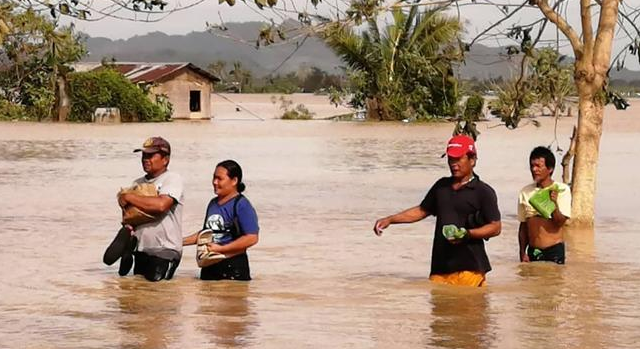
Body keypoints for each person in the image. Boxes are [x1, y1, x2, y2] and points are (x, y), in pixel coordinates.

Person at [373, 135, 502, 287]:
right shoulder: (441, 187)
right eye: (450, 159)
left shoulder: (483, 192)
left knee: (468, 308)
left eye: (458, 159)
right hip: (440, 268)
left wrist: (467, 234)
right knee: (439, 309)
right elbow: (421, 210)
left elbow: (496, 227)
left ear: (472, 160)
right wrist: (390, 220)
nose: (453, 164)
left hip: (470, 267)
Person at [103, 136, 184, 281]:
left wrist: (128, 197)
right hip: (141, 251)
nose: (145, 159)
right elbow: (130, 218)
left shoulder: (172, 179)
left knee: (159, 294)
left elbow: (161, 205)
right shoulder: (137, 183)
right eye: (144, 155)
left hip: (165, 251)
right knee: (139, 297)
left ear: (165, 159)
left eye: (151, 155)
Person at [183, 160, 259, 281]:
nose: (214, 182)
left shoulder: (242, 205)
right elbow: (206, 233)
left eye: (219, 179)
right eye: (213, 178)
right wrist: (180, 242)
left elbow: (252, 238)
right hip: (209, 265)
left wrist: (221, 249)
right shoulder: (212, 203)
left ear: (234, 181)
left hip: (233, 267)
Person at [517, 146, 571, 264]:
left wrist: (553, 204)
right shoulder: (525, 192)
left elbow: (560, 222)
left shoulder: (561, 190)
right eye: (532, 166)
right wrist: (522, 252)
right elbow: (523, 226)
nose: (534, 169)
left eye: (538, 166)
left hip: (554, 250)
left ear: (550, 169)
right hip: (533, 251)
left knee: (553, 282)